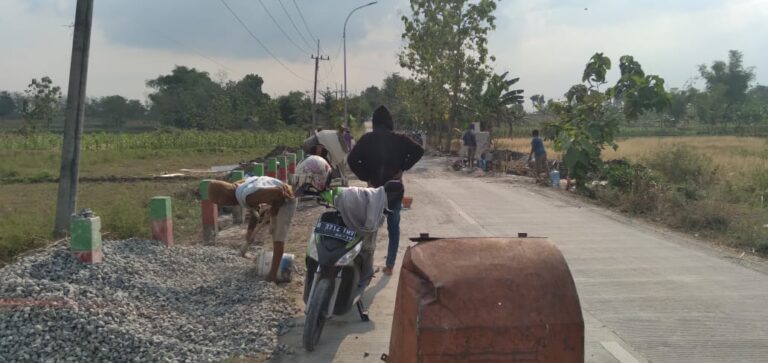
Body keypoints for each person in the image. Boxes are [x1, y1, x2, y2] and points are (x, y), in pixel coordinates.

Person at [347, 106, 425, 276]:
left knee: (369, 227)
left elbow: (351, 160)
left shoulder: (367, 139)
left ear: (374, 123)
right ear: (390, 122)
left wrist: (365, 176)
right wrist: (403, 168)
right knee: (393, 227)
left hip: (373, 191)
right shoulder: (400, 139)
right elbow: (419, 150)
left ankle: (366, 266)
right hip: (394, 191)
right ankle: (389, 265)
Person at [206, 174, 300, 283]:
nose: (222, 205)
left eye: (220, 202)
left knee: (278, 238)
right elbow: (255, 210)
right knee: (273, 231)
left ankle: (273, 275)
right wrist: (250, 231)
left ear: (224, 196)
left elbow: (279, 192)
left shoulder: (247, 196)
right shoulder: (239, 187)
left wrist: (274, 209)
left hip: (288, 200)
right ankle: (273, 265)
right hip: (277, 199)